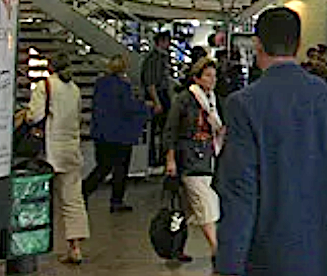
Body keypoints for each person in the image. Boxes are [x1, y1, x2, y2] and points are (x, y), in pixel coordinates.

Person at [216, 7, 327, 276]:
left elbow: (240, 195)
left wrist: (228, 266)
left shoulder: (244, 104)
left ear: (257, 44)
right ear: (298, 45)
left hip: (274, 257)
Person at [25, 56, 89, 264]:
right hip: (71, 148)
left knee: (37, 199)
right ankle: (75, 248)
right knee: (73, 200)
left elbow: (34, 116)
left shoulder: (45, 86)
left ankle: (31, 247)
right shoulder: (75, 89)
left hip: (50, 151)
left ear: (50, 66)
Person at [164, 59, 225, 265]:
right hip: (189, 156)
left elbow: (219, 128)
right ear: (197, 77)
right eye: (208, 75)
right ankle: (217, 248)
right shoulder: (185, 99)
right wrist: (170, 158)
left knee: (185, 207)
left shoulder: (213, 101)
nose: (212, 80)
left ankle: (176, 248)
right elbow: (171, 129)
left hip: (207, 155)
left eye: (214, 76)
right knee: (204, 200)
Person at [83, 55, 149, 213]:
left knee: (103, 166)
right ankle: (116, 201)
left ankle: (84, 190)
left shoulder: (100, 83)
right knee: (120, 169)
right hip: (121, 134)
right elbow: (128, 107)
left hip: (102, 133)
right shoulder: (123, 86)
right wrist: (145, 107)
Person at [141, 31, 173, 171]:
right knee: (154, 129)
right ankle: (153, 159)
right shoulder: (153, 59)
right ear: (161, 41)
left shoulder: (163, 58)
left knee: (164, 129)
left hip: (163, 95)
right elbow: (150, 83)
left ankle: (161, 158)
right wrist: (157, 101)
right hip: (157, 96)